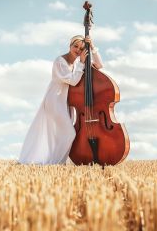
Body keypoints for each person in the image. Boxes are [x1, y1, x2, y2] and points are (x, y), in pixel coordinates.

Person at [19, 35, 103, 164]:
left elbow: (99, 65)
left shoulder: (77, 62)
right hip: (55, 101)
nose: (78, 50)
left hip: (66, 103)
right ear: (69, 46)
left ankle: (54, 162)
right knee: (69, 133)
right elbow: (73, 81)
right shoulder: (60, 61)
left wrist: (92, 47)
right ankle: (55, 163)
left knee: (61, 134)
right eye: (75, 46)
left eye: (81, 48)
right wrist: (81, 63)